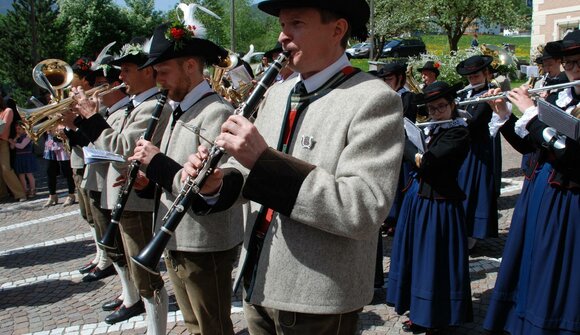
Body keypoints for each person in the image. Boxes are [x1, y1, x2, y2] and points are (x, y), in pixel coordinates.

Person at [183, 0, 404, 333]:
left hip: (317, 295)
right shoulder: (277, 92)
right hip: (259, 281)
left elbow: (363, 208)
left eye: (296, 23)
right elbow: (249, 177)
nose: (283, 37)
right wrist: (217, 182)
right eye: (283, 25)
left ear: (337, 30)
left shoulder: (373, 99)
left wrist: (263, 161)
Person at [127, 18, 243, 334]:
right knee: (194, 325)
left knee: (212, 326)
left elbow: (203, 182)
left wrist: (156, 163)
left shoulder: (215, 112)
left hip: (205, 242)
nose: (158, 81)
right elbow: (176, 173)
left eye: (163, 72)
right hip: (178, 237)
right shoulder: (181, 110)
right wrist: (147, 181)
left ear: (190, 66)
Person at [483, 29, 580, 335]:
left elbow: (568, 155)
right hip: (542, 196)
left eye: (578, 63)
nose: (572, 71)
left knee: (556, 275)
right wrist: (506, 116)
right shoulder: (565, 99)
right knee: (532, 266)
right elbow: (534, 147)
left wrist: (532, 113)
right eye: (568, 64)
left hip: (569, 203)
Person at [73, 37, 172, 333]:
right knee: (132, 267)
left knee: (145, 276)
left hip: (137, 200)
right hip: (123, 196)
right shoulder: (138, 106)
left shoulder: (152, 106)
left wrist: (90, 118)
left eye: (127, 69)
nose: (120, 77)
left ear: (147, 72)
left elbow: (121, 151)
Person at [386, 81, 472, 334]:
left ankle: (438, 316)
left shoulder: (459, 133)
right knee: (415, 257)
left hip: (441, 205)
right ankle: (418, 310)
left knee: (435, 262)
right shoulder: (433, 128)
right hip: (419, 200)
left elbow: (427, 163)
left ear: (453, 105)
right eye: (431, 109)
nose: (436, 113)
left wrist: (404, 142)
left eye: (442, 107)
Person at [455, 55, 498, 249]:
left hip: (477, 148)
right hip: (462, 148)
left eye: (477, 76)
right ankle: (459, 228)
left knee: (474, 189)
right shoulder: (464, 94)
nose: (473, 80)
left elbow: (476, 119)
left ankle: (473, 232)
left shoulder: (490, 94)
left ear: (486, 74)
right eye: (470, 77)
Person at [0, 97, 27, 202]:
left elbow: (2, 129)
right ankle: (2, 194)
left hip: (3, 142)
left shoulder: (8, 111)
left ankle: (20, 194)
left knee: (6, 169)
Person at [42, 130, 75, 207]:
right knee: (49, 171)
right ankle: (52, 195)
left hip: (62, 143)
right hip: (50, 143)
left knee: (67, 172)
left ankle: (71, 195)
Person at [8, 121, 37, 197]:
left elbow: (21, 146)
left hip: (27, 157)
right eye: (16, 129)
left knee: (29, 174)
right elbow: (12, 147)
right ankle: (25, 190)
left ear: (24, 129)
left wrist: (12, 142)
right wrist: (14, 140)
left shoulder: (28, 136)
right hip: (19, 157)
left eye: (19, 129)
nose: (18, 131)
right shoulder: (17, 137)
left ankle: (33, 189)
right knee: (21, 175)